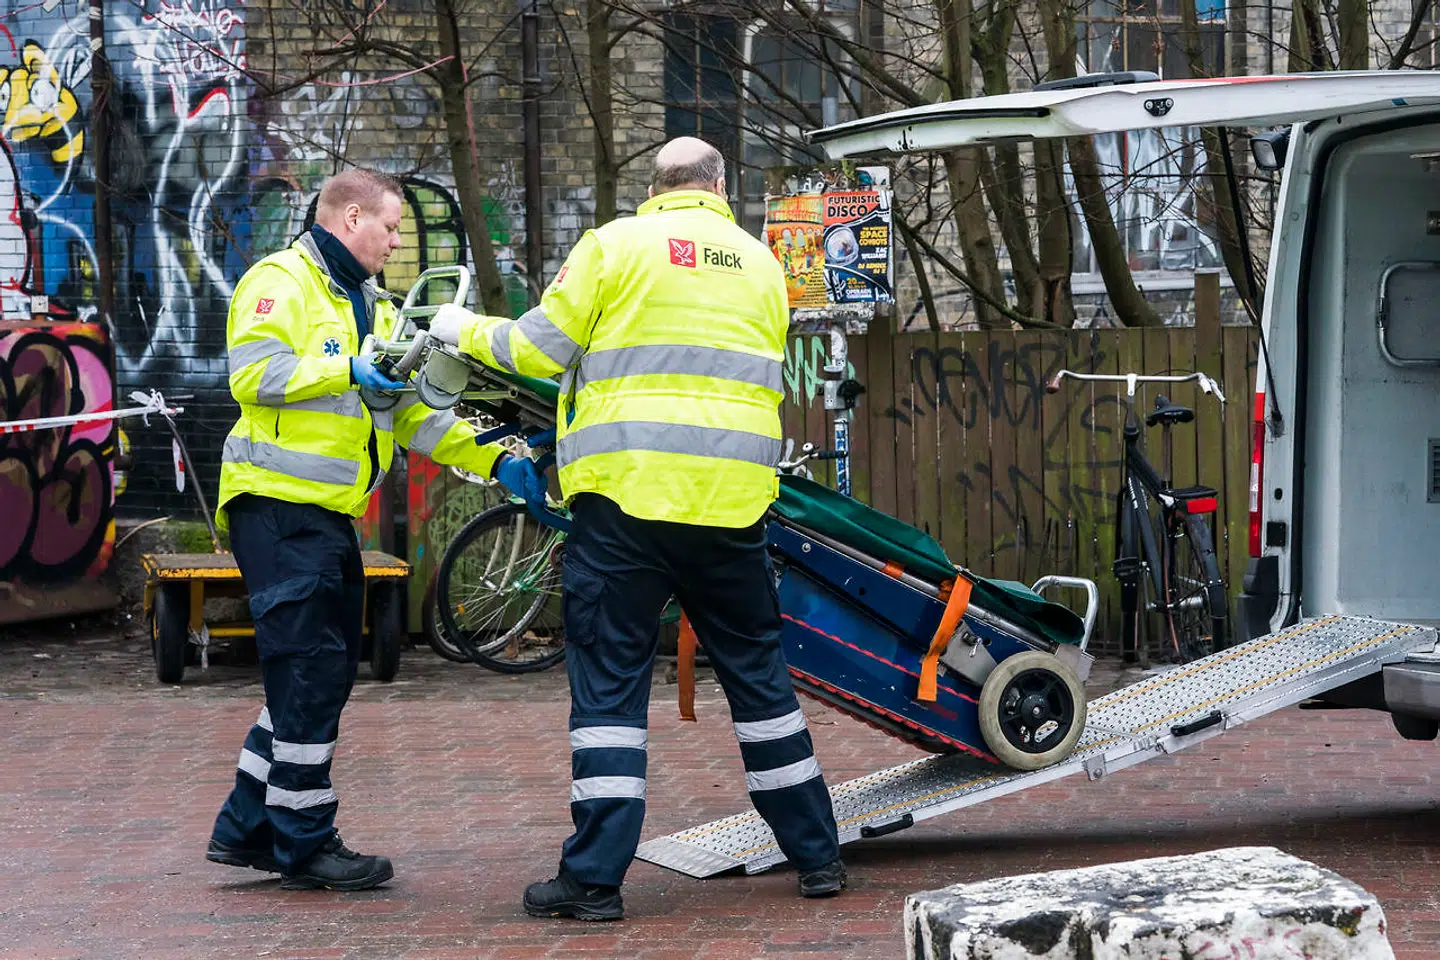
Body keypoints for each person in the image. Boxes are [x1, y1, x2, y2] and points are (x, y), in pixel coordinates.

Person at [428, 137, 845, 921]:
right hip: (731, 505)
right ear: (722, 185)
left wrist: (461, 328)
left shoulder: (612, 247)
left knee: (612, 688)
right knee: (759, 681)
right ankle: (818, 858)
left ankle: (593, 882)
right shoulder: (763, 266)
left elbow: (536, 350)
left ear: (654, 188)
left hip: (625, 502)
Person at [206, 168, 544, 891]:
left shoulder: (373, 307)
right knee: (314, 672)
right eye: (390, 227)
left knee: (308, 675)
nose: (396, 241)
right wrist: (347, 368)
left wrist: (493, 456)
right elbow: (252, 374)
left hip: (322, 516)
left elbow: (414, 414)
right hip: (274, 505)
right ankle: (304, 842)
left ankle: (247, 828)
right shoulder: (281, 282)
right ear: (349, 216)